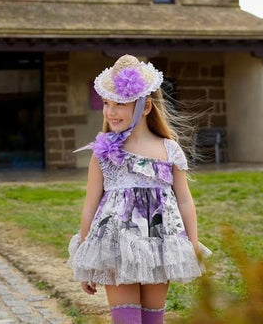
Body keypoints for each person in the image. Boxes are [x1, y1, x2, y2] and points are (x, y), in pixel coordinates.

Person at [68, 55, 211, 324]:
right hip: (116, 246)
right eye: (107, 103)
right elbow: (90, 206)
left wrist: (192, 245)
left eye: (120, 104)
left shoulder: (169, 150)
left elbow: (184, 200)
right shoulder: (103, 154)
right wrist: (85, 258)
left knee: (154, 320)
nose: (110, 111)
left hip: (160, 244)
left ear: (145, 107)